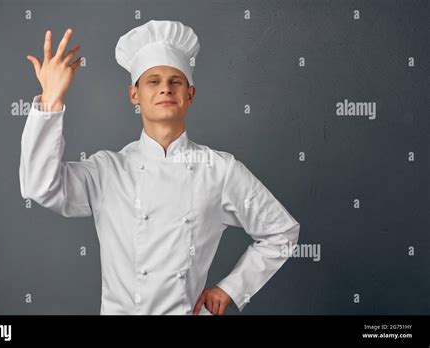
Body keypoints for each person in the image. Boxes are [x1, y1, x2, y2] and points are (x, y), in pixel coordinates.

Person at [21, 20, 300, 315]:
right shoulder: (108, 170)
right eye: (153, 81)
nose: (165, 89)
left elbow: (281, 232)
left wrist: (231, 288)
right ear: (134, 95)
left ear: (189, 95)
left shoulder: (219, 170)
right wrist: (52, 100)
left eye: (175, 81)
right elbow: (40, 187)